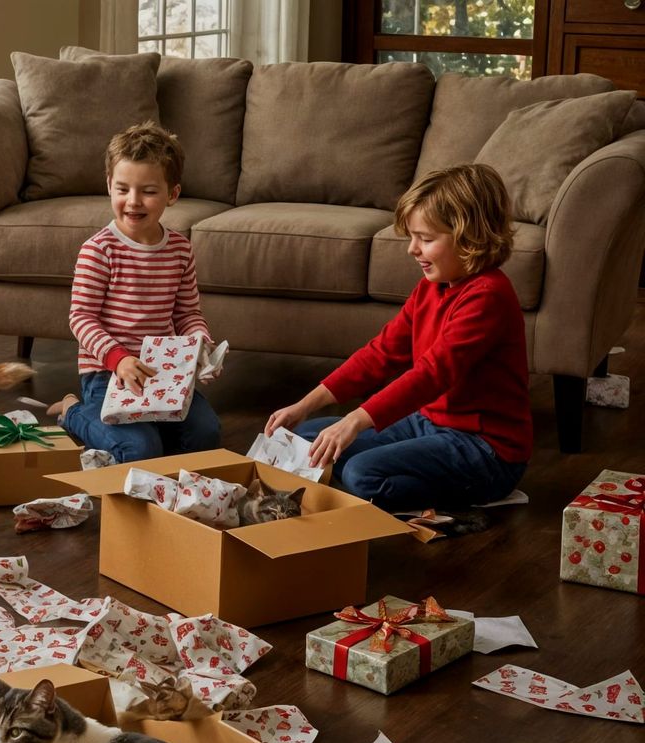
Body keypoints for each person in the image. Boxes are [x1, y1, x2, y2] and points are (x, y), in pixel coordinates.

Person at [264, 163, 531, 511]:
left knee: (362, 474)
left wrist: (354, 421)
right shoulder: (430, 287)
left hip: (485, 449)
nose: (412, 249)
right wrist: (305, 405)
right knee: (303, 440)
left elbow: (432, 375)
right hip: (427, 423)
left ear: (470, 237)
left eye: (426, 239)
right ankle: (392, 480)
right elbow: (381, 354)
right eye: (412, 237)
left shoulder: (488, 295)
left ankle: (476, 496)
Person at [47, 121, 221, 461]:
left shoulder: (180, 250)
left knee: (207, 434)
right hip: (106, 372)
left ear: (172, 194)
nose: (133, 201)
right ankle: (73, 412)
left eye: (149, 191)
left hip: (163, 372)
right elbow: (81, 318)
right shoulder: (99, 250)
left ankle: (149, 427)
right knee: (139, 449)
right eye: (123, 189)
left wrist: (200, 344)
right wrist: (119, 359)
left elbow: (187, 314)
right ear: (110, 186)